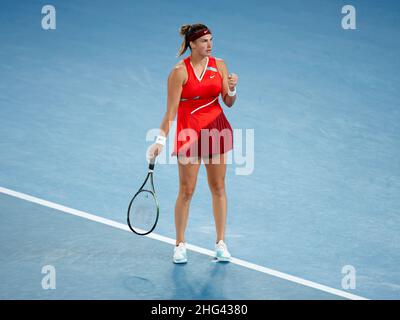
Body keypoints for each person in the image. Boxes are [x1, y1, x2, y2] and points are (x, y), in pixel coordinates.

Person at [147, 23, 238, 263]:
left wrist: (233, 88)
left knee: (218, 187)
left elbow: (228, 101)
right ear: (192, 44)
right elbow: (170, 113)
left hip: (217, 130)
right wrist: (159, 141)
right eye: (204, 41)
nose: (210, 45)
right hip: (189, 134)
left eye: (211, 40)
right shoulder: (179, 72)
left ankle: (220, 243)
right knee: (187, 191)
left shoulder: (219, 65)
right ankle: (180, 244)